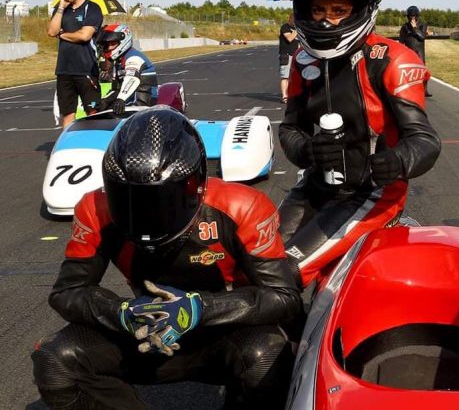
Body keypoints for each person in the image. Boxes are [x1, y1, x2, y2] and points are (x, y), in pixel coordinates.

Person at [32, 106, 303, 410]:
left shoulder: (243, 206)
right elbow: (66, 292)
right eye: (130, 199)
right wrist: (120, 312)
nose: (146, 216)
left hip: (220, 333)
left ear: (196, 186)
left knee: (267, 355)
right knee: (54, 360)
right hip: (145, 330)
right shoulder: (94, 209)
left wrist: (200, 309)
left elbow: (284, 297)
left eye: (161, 201)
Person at [278, 0, 441, 289]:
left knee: (283, 274)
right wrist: (308, 151)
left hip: (372, 194)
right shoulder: (302, 60)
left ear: (362, 9)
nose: (326, 20)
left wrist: (397, 161)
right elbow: (290, 129)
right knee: (257, 261)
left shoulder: (393, 59)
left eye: (339, 10)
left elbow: (425, 140)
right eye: (318, 9)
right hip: (315, 186)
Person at [48, 0, 103, 127]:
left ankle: (94, 145)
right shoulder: (61, 9)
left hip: (86, 69)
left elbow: (84, 36)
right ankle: (68, 147)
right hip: (64, 70)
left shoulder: (92, 9)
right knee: (67, 115)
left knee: (93, 113)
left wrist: (63, 34)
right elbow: (52, 32)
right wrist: (60, 8)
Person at [96, 23, 159, 114]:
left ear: (123, 41)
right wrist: (105, 101)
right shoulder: (118, 62)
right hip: (130, 98)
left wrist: (121, 99)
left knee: (115, 117)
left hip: (144, 102)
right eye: (107, 45)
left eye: (112, 43)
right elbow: (117, 89)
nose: (109, 48)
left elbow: (131, 79)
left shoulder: (134, 57)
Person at [399, 5, 432, 96]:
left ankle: (425, 90)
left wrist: (414, 28)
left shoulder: (422, 25)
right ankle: (408, 89)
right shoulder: (405, 27)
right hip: (409, 51)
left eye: (414, 16)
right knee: (408, 71)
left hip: (419, 51)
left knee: (423, 71)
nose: (412, 18)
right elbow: (401, 40)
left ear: (417, 16)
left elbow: (422, 36)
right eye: (410, 16)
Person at [278, 13, 299, 103]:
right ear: (290, 19)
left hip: (296, 55)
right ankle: (284, 96)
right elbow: (290, 38)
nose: (295, 22)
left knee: (296, 76)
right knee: (285, 76)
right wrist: (298, 30)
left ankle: (295, 94)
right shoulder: (285, 27)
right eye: (294, 20)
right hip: (286, 54)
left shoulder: (296, 29)